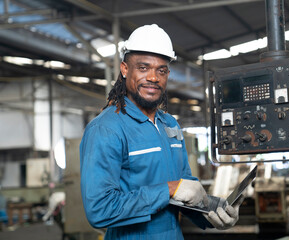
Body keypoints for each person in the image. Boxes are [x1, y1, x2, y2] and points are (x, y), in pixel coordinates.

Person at [80, 24, 243, 240]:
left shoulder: (170, 125)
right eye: (143, 68)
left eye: (161, 70)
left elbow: (185, 193)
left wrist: (214, 212)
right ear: (125, 69)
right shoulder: (106, 129)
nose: (154, 78)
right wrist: (169, 190)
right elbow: (99, 209)